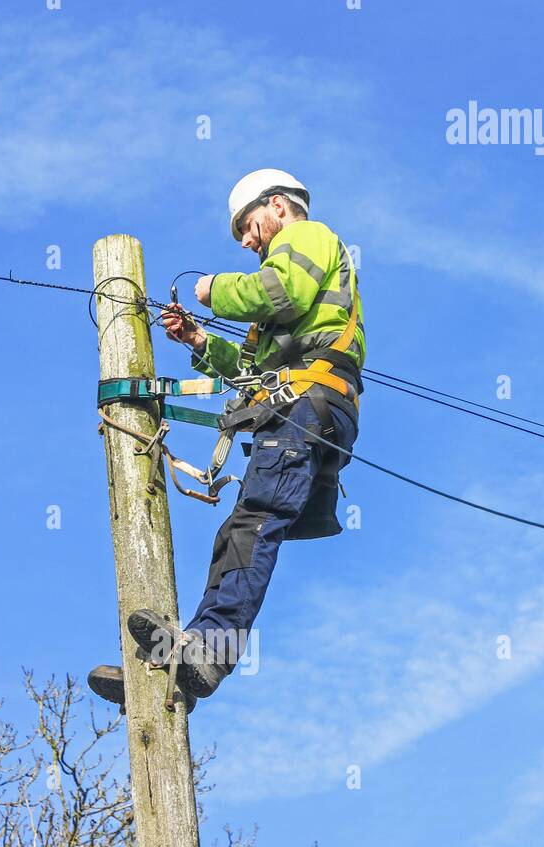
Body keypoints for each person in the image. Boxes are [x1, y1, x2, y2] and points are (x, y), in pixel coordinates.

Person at [89, 169, 365, 712]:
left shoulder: (306, 238)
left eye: (247, 224)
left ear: (279, 206)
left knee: (254, 524)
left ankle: (211, 650)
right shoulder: (285, 308)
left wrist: (215, 290)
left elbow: (280, 293)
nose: (246, 240)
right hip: (300, 408)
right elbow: (252, 370)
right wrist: (197, 338)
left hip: (307, 411)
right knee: (242, 531)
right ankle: (168, 668)